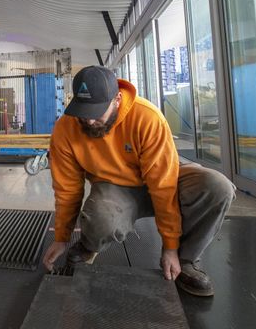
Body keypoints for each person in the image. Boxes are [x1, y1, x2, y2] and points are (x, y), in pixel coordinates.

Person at [42, 66, 235, 297]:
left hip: (163, 177)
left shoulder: (146, 117)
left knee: (217, 187)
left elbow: (163, 186)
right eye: (84, 112)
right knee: (102, 216)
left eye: (97, 111)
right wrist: (61, 238)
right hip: (115, 187)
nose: (90, 120)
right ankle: (87, 247)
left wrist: (170, 247)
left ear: (117, 99)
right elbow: (67, 190)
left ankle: (185, 261)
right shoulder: (66, 128)